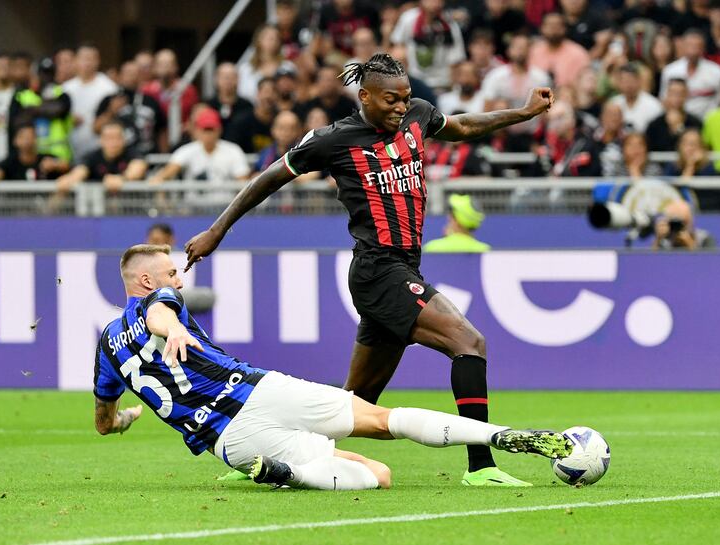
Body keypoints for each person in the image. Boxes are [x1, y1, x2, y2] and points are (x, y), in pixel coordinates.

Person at [184, 53, 555, 487]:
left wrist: (525, 112)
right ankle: (481, 466)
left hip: (402, 266)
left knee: (354, 403)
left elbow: (463, 127)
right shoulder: (332, 140)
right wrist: (217, 230)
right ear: (365, 97)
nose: (401, 107)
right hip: (378, 271)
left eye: (405, 98)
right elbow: (269, 177)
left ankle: (273, 461)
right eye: (391, 100)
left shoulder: (418, 116)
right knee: (468, 342)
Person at [95, 244, 572, 490]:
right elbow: (158, 313)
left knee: (377, 473)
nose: (179, 280)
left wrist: (122, 421)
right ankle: (500, 436)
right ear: (146, 280)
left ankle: (289, 474)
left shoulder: (106, 348)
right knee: (382, 424)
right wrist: (172, 328)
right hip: (258, 390)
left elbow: (103, 420)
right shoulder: (159, 304)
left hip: (230, 441)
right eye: (172, 273)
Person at [150, 107, 250, 184]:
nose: (208, 134)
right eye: (205, 130)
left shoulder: (233, 150)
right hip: (194, 207)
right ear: (197, 131)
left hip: (225, 205)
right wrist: (159, 179)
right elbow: (169, 171)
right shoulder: (188, 150)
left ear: (219, 130)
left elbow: (242, 181)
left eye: (211, 129)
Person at [54, 121, 147, 197]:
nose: (113, 143)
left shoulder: (132, 153)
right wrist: (70, 179)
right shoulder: (93, 156)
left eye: (117, 138)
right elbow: (81, 170)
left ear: (124, 140)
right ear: (101, 140)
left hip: (130, 208)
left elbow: (137, 168)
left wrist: (122, 179)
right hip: (99, 209)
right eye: (109, 138)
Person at [390, 0, 467, 90]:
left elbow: (456, 61)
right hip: (414, 82)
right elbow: (396, 48)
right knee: (398, 54)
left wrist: (451, 90)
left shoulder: (450, 25)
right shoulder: (408, 18)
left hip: (441, 84)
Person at [95, 61, 167, 155]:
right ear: (120, 76)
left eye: (135, 73)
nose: (132, 77)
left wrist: (164, 154)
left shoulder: (150, 101)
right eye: (128, 73)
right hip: (118, 155)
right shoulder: (110, 99)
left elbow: (162, 130)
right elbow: (96, 129)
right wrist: (111, 111)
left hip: (147, 153)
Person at [63, 44, 119, 159]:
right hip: (71, 149)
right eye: (84, 58)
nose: (87, 63)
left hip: (99, 149)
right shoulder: (66, 88)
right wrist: (70, 118)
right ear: (76, 61)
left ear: (98, 61)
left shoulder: (109, 87)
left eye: (91, 59)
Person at [659, 29, 720, 120]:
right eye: (690, 45)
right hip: (678, 120)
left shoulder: (716, 71)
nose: (693, 50)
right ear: (683, 46)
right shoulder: (670, 71)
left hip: (707, 120)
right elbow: (664, 99)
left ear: (703, 48)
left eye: (697, 46)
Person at [0, 123, 68, 183]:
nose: (27, 141)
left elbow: (67, 166)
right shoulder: (10, 163)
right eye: (23, 137)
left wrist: (56, 165)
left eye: (31, 137)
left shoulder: (46, 158)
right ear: (15, 140)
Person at [528, 11, 591, 87]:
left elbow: (584, 84)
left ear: (565, 28)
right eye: (550, 25)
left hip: (569, 96)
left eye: (557, 25)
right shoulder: (533, 51)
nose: (554, 29)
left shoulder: (578, 53)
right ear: (542, 28)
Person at [141, 49, 199, 125]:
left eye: (168, 63)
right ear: (154, 68)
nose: (165, 67)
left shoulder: (187, 90)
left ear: (176, 67)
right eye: (161, 64)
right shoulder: (146, 91)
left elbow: (194, 115)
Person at [645, 78, 703, 152]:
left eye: (681, 93)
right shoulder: (654, 125)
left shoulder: (695, 123)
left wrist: (679, 128)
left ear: (687, 95)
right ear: (667, 95)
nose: (677, 97)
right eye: (673, 93)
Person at [423, 194, 491, 253]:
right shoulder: (485, 250)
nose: (449, 217)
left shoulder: (432, 248)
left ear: (456, 221)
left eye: (452, 215)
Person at [608, 64, 663, 133]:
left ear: (639, 81)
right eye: (625, 81)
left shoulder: (653, 105)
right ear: (619, 83)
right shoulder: (614, 103)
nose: (628, 85)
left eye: (631, 80)